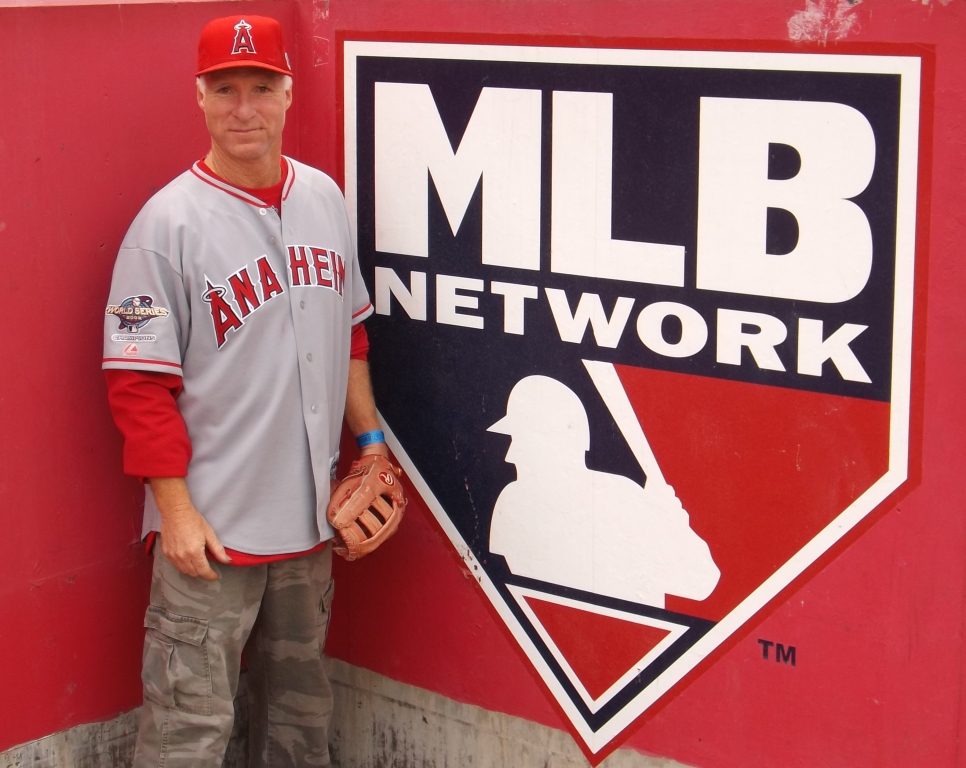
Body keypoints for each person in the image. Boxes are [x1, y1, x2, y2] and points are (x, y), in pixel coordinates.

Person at [102, 15, 386, 767]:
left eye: (261, 87)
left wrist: (371, 444)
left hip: (311, 521)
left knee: (301, 720)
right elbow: (137, 384)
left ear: (288, 93)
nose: (244, 108)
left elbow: (350, 335)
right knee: (187, 733)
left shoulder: (324, 198)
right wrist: (176, 512)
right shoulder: (164, 225)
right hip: (211, 531)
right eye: (225, 89)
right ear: (199, 97)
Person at [488, 375, 719, 608]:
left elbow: (700, 583)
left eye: (522, 441)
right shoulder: (514, 502)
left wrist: (673, 527)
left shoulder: (624, 500)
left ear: (560, 443)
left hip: (626, 630)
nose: (510, 455)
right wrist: (670, 525)